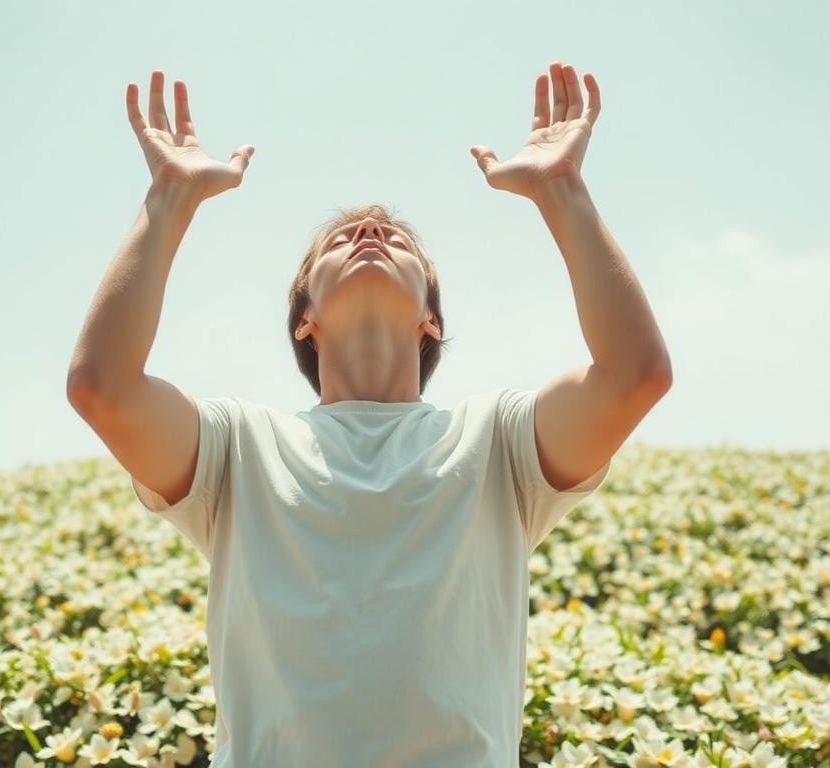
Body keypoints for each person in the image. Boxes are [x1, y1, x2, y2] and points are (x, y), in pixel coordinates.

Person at [67, 62, 672, 768]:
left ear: (430, 322)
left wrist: (564, 193)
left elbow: (634, 377)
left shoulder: (498, 442)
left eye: (401, 240)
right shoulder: (237, 448)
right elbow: (102, 387)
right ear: (304, 322)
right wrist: (169, 199)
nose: (372, 235)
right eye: (338, 240)